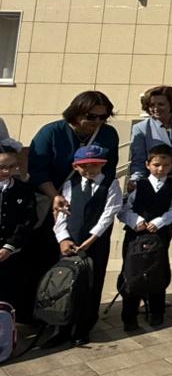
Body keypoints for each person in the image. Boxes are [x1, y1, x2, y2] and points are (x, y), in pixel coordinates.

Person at [27, 92, 119, 314]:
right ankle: (47, 313)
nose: (97, 121)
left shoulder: (108, 134)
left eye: (103, 117)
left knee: (90, 264)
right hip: (51, 201)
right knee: (47, 259)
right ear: (77, 113)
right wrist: (54, 196)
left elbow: (109, 170)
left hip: (90, 204)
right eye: (91, 116)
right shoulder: (52, 132)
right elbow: (37, 170)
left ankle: (83, 317)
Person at [50, 145, 124, 346]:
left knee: (92, 284)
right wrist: (63, 238)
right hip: (70, 243)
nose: (90, 169)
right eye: (84, 166)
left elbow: (109, 213)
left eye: (95, 165)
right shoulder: (70, 184)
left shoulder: (110, 184)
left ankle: (83, 328)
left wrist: (92, 238)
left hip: (95, 244)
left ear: (103, 165)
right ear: (76, 166)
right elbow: (61, 215)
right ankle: (61, 328)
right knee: (65, 284)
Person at [119, 143, 172, 330]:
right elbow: (124, 210)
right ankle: (129, 317)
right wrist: (136, 220)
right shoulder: (137, 185)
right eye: (156, 165)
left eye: (165, 165)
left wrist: (160, 221)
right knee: (132, 273)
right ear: (148, 164)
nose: (160, 169)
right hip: (135, 237)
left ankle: (157, 313)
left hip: (158, 236)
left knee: (157, 272)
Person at [0, 142, 37, 320]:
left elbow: (27, 220)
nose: (6, 171)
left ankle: (6, 330)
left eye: (12, 166)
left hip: (11, 252)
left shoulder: (23, 189)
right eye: (2, 167)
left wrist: (10, 245)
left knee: (8, 293)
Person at [127, 85, 172, 188]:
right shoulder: (141, 128)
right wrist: (135, 180)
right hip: (156, 182)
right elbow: (139, 160)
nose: (156, 108)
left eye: (161, 104)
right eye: (152, 105)